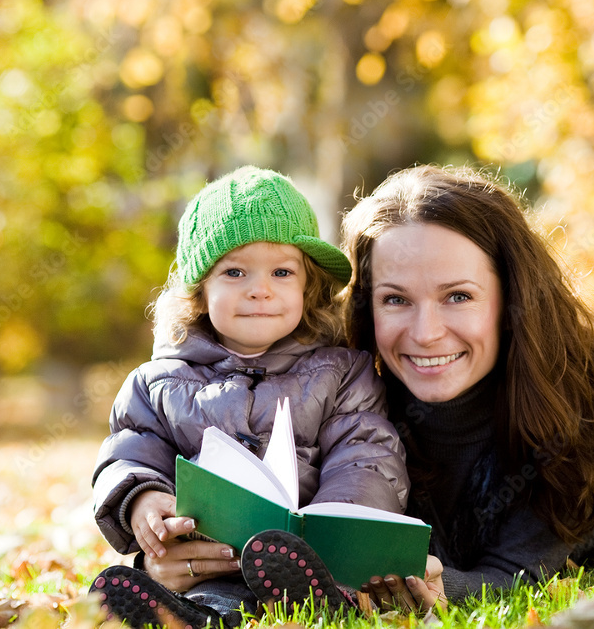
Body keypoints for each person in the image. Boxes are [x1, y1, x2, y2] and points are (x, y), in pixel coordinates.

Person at [89, 166, 410, 628]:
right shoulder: (157, 383)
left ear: (308, 285)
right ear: (200, 291)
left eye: (282, 272)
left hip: (312, 558)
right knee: (211, 596)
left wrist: (331, 526)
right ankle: (188, 615)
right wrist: (141, 501)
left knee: (305, 576)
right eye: (235, 272)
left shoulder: (342, 371)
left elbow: (366, 455)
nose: (260, 289)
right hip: (210, 557)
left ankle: (322, 600)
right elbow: (130, 450)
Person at [339, 164, 594, 611]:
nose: (426, 333)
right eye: (395, 299)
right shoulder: (335, 392)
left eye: (458, 296)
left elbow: (518, 575)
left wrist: (444, 588)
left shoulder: (584, 400)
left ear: (511, 298)